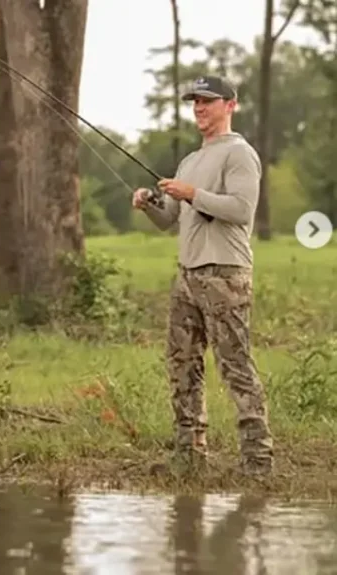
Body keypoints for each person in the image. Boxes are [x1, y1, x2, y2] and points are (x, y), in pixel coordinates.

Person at [133, 75, 274, 476]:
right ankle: (189, 456)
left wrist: (192, 193)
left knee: (234, 364)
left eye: (208, 101)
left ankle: (257, 460)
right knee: (182, 364)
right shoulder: (190, 161)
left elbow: (241, 210)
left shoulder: (240, 153)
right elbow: (170, 221)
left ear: (230, 105)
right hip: (187, 275)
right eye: (195, 101)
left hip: (225, 273)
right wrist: (150, 205)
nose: (199, 107)